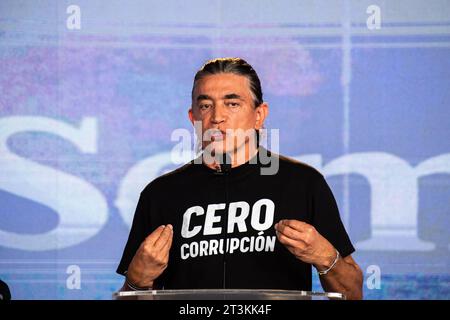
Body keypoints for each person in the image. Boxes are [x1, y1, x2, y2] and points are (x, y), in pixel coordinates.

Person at [117, 57, 363, 299]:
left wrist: (326, 257)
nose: (217, 117)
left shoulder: (304, 183)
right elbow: (131, 295)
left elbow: (353, 294)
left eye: (232, 104)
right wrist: (137, 282)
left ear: (259, 115)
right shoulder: (159, 194)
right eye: (205, 106)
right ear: (193, 118)